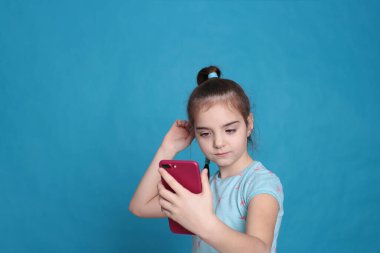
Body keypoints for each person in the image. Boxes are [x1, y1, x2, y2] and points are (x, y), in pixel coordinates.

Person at [129, 66, 284, 253]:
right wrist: (167, 149)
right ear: (194, 133)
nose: (218, 143)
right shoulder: (201, 190)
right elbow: (140, 207)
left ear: (248, 124)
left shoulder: (260, 183)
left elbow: (260, 249)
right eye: (204, 133)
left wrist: (203, 224)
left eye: (230, 130)